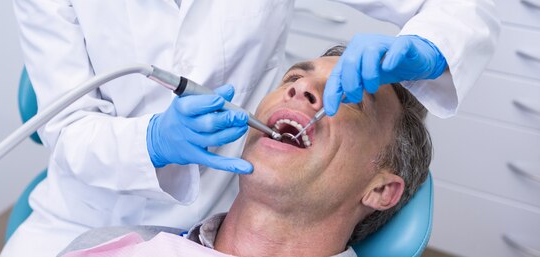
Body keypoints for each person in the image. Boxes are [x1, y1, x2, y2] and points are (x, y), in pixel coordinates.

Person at [1, 0, 499, 255]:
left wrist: (429, 46)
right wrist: (150, 142)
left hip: (228, 208)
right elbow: (65, 133)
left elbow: (453, 0)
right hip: (89, 214)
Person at [58, 46, 432, 257]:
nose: (300, 89)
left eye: (347, 98)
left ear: (380, 190)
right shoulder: (110, 247)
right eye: (293, 77)